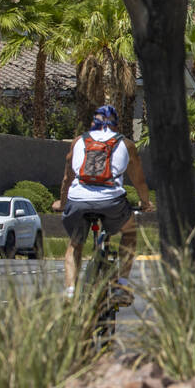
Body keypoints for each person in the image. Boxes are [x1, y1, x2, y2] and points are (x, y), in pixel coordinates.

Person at [51, 105, 152, 298]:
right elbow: (139, 181)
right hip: (111, 202)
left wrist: (63, 203)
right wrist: (146, 203)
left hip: (78, 200)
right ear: (116, 125)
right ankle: (122, 285)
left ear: (92, 123)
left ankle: (70, 291)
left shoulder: (78, 141)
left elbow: (67, 179)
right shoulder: (126, 144)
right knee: (129, 233)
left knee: (75, 243)